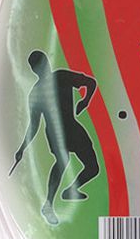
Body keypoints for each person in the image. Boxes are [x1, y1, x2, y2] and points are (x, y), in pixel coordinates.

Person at [10, 50, 99, 225]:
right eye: (41, 65)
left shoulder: (61, 77)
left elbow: (90, 82)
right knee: (62, 162)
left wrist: (85, 101)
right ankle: (48, 204)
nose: (45, 67)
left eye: (44, 63)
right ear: (36, 69)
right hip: (56, 133)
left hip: (72, 128)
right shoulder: (37, 92)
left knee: (92, 167)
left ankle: (70, 191)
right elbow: (34, 125)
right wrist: (21, 149)